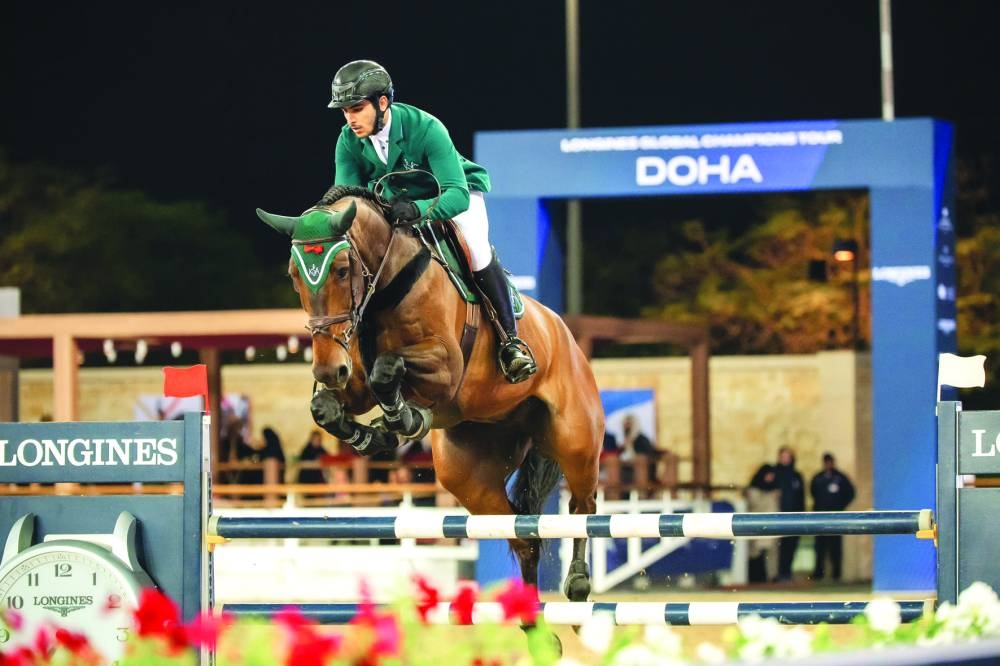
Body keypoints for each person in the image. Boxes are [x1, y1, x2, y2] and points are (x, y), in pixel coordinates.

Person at [320, 59, 536, 384]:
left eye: (357, 108)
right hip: (395, 207)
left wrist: (419, 210)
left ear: (382, 103)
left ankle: (510, 341)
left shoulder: (425, 128)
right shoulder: (348, 140)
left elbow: (457, 195)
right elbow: (348, 202)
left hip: (453, 195)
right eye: (345, 110)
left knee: (476, 249)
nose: (350, 118)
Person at [810, 452, 856, 582]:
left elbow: (850, 493)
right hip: (820, 518)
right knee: (820, 547)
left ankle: (837, 574)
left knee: (836, 547)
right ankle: (818, 573)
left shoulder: (841, 477)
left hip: (836, 518)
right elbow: (813, 492)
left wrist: (841, 506)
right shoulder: (818, 478)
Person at [773, 447, 805, 582]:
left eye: (788, 456)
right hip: (777, 517)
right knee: (779, 547)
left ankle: (787, 573)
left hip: (795, 517)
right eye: (783, 456)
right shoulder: (774, 473)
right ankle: (778, 574)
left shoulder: (797, 476)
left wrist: (803, 516)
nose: (785, 458)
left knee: (791, 546)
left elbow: (801, 497)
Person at [744, 464, 779, 583]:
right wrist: (770, 497)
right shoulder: (754, 489)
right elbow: (755, 505)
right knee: (755, 553)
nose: (770, 478)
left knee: (771, 554)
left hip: (772, 525)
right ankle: (756, 579)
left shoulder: (773, 488)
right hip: (757, 524)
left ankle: (771, 577)